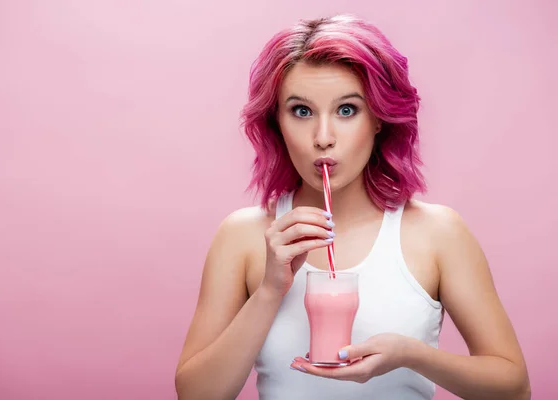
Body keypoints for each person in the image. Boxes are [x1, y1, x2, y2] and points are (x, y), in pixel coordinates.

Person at [174, 14, 531, 400]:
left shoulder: (438, 234)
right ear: (276, 120)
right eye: (301, 111)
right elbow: (196, 394)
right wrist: (269, 290)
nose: (323, 138)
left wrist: (410, 354)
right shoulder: (243, 238)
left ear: (378, 117)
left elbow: (514, 389)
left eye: (347, 110)